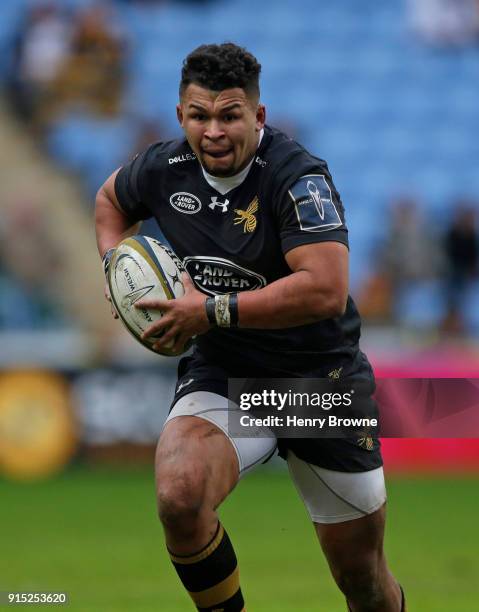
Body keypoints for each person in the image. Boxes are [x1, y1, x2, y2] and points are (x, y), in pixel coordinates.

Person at [95, 43, 405, 611]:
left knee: (362, 581)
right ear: (180, 115)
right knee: (180, 492)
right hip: (226, 371)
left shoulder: (298, 178)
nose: (213, 131)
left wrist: (211, 310)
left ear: (257, 116)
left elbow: (325, 289)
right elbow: (110, 201)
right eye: (199, 115)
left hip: (317, 382)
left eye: (229, 115)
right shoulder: (164, 168)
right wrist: (116, 268)